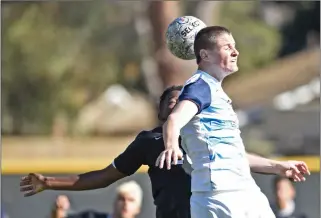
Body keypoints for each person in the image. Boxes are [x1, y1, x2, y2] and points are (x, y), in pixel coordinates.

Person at [155, 26, 310, 218]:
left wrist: (277, 167)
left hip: (241, 190)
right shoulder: (200, 86)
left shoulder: (213, 90)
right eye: (227, 47)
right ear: (205, 55)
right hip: (221, 195)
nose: (236, 52)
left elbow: (234, 155)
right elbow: (174, 119)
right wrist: (171, 146)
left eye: (234, 46)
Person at [19, 85, 192, 218]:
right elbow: (103, 177)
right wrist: (48, 182)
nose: (179, 106)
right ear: (160, 112)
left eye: (185, 102)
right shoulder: (149, 141)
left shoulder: (209, 139)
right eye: (172, 102)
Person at [67, 181, 142, 218]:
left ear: (138, 208)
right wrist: (58, 211)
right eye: (122, 199)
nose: (126, 203)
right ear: (115, 202)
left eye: (131, 200)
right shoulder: (91, 216)